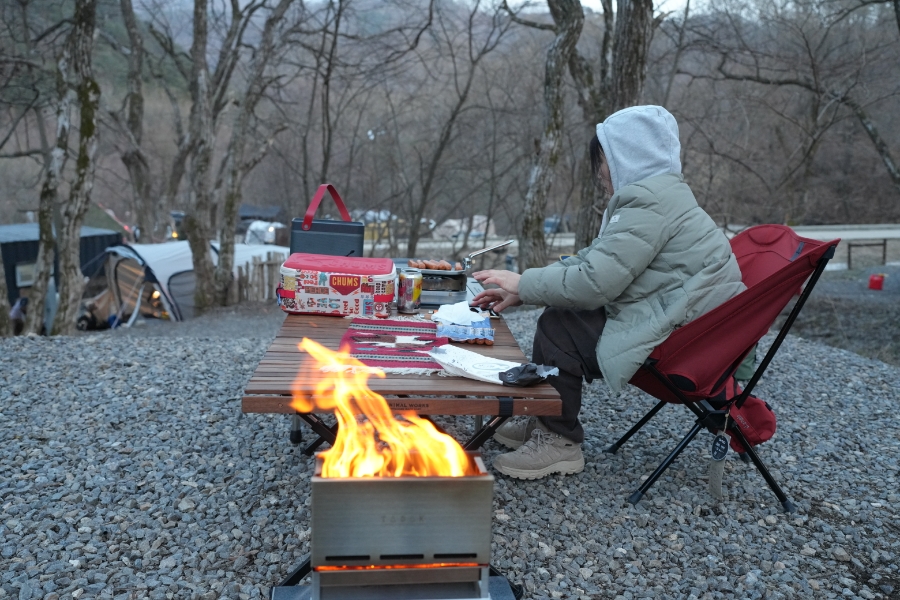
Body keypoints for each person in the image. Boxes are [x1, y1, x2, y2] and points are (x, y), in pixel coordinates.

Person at [471, 105, 746, 480]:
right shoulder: (663, 195)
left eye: (603, 159)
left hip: (682, 338)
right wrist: (525, 287)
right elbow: (592, 262)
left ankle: (559, 441)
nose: (599, 172)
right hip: (688, 321)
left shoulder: (648, 202)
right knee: (561, 313)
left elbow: (594, 284)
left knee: (561, 324)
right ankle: (544, 417)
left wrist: (526, 284)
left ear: (628, 157)